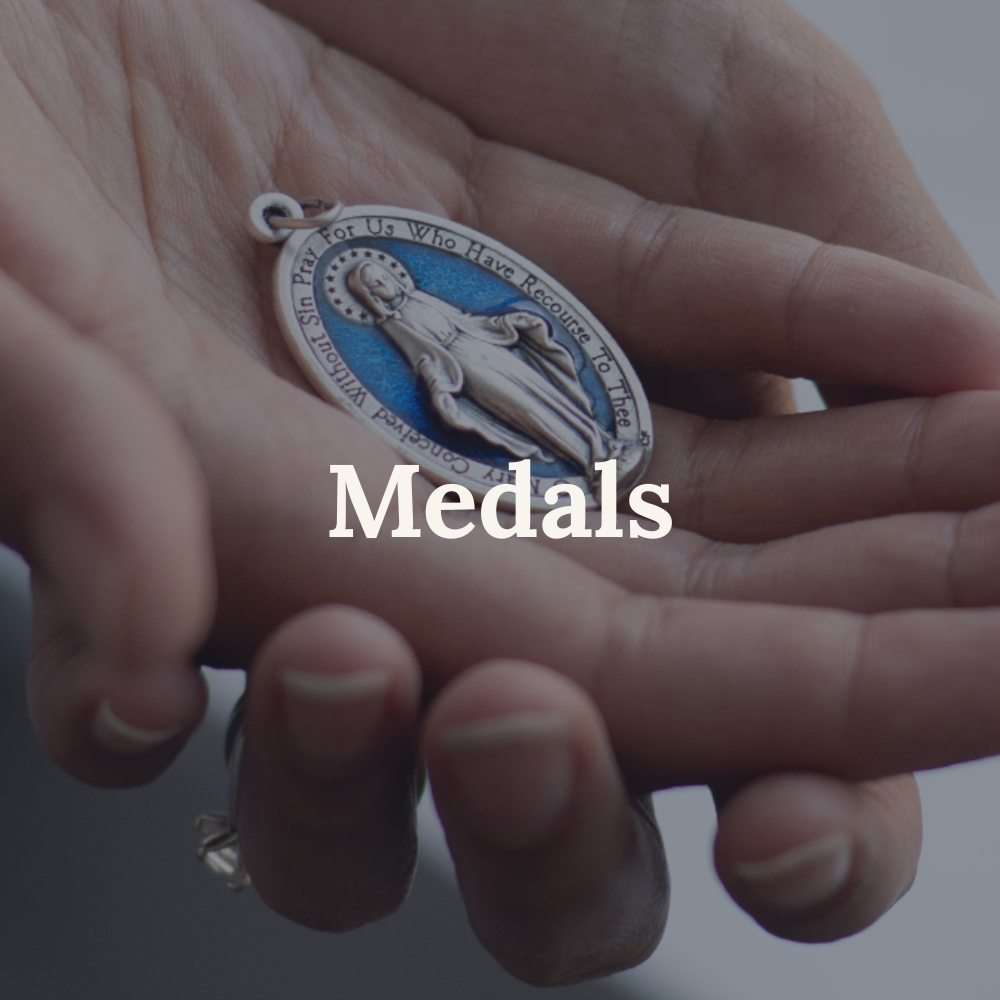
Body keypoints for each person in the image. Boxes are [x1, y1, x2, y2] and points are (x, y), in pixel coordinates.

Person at [3, 0, 1000, 986]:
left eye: (385, 287)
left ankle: (584, 450)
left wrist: (519, 336)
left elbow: (495, 323)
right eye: (374, 295)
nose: (384, 294)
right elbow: (433, 382)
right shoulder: (390, 321)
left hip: (499, 355)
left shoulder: (420, 287)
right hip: (472, 384)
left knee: (566, 422)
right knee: (525, 441)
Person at [344, 258, 640, 488]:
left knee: (547, 395)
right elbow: (423, 357)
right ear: (370, 295)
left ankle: (607, 446)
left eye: (385, 276)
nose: (385, 283)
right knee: (529, 412)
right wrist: (439, 388)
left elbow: (465, 319)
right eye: (376, 283)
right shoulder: (394, 323)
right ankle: (591, 466)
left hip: (488, 347)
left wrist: (506, 323)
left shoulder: (420, 297)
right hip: (467, 367)